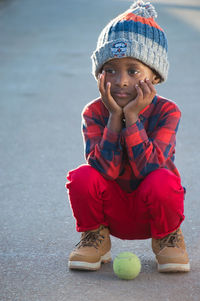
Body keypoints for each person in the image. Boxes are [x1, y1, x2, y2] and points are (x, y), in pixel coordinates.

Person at [66, 0, 190, 273]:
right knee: (82, 176)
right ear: (99, 74)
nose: (120, 80)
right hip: (111, 212)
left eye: (133, 71)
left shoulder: (168, 111)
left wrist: (132, 119)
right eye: (110, 69)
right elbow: (105, 171)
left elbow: (151, 168)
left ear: (154, 76)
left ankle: (168, 239)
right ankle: (94, 238)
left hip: (152, 212)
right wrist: (114, 118)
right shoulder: (94, 112)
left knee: (164, 180)